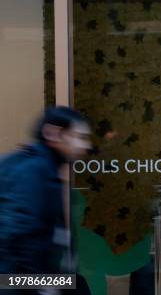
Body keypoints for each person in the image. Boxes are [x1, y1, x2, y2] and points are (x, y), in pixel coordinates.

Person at [0, 106, 91, 275]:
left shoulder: (41, 167)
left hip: (26, 278)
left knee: (76, 286)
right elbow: (21, 236)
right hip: (18, 281)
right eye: (80, 137)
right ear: (53, 134)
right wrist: (41, 286)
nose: (86, 146)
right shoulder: (34, 170)